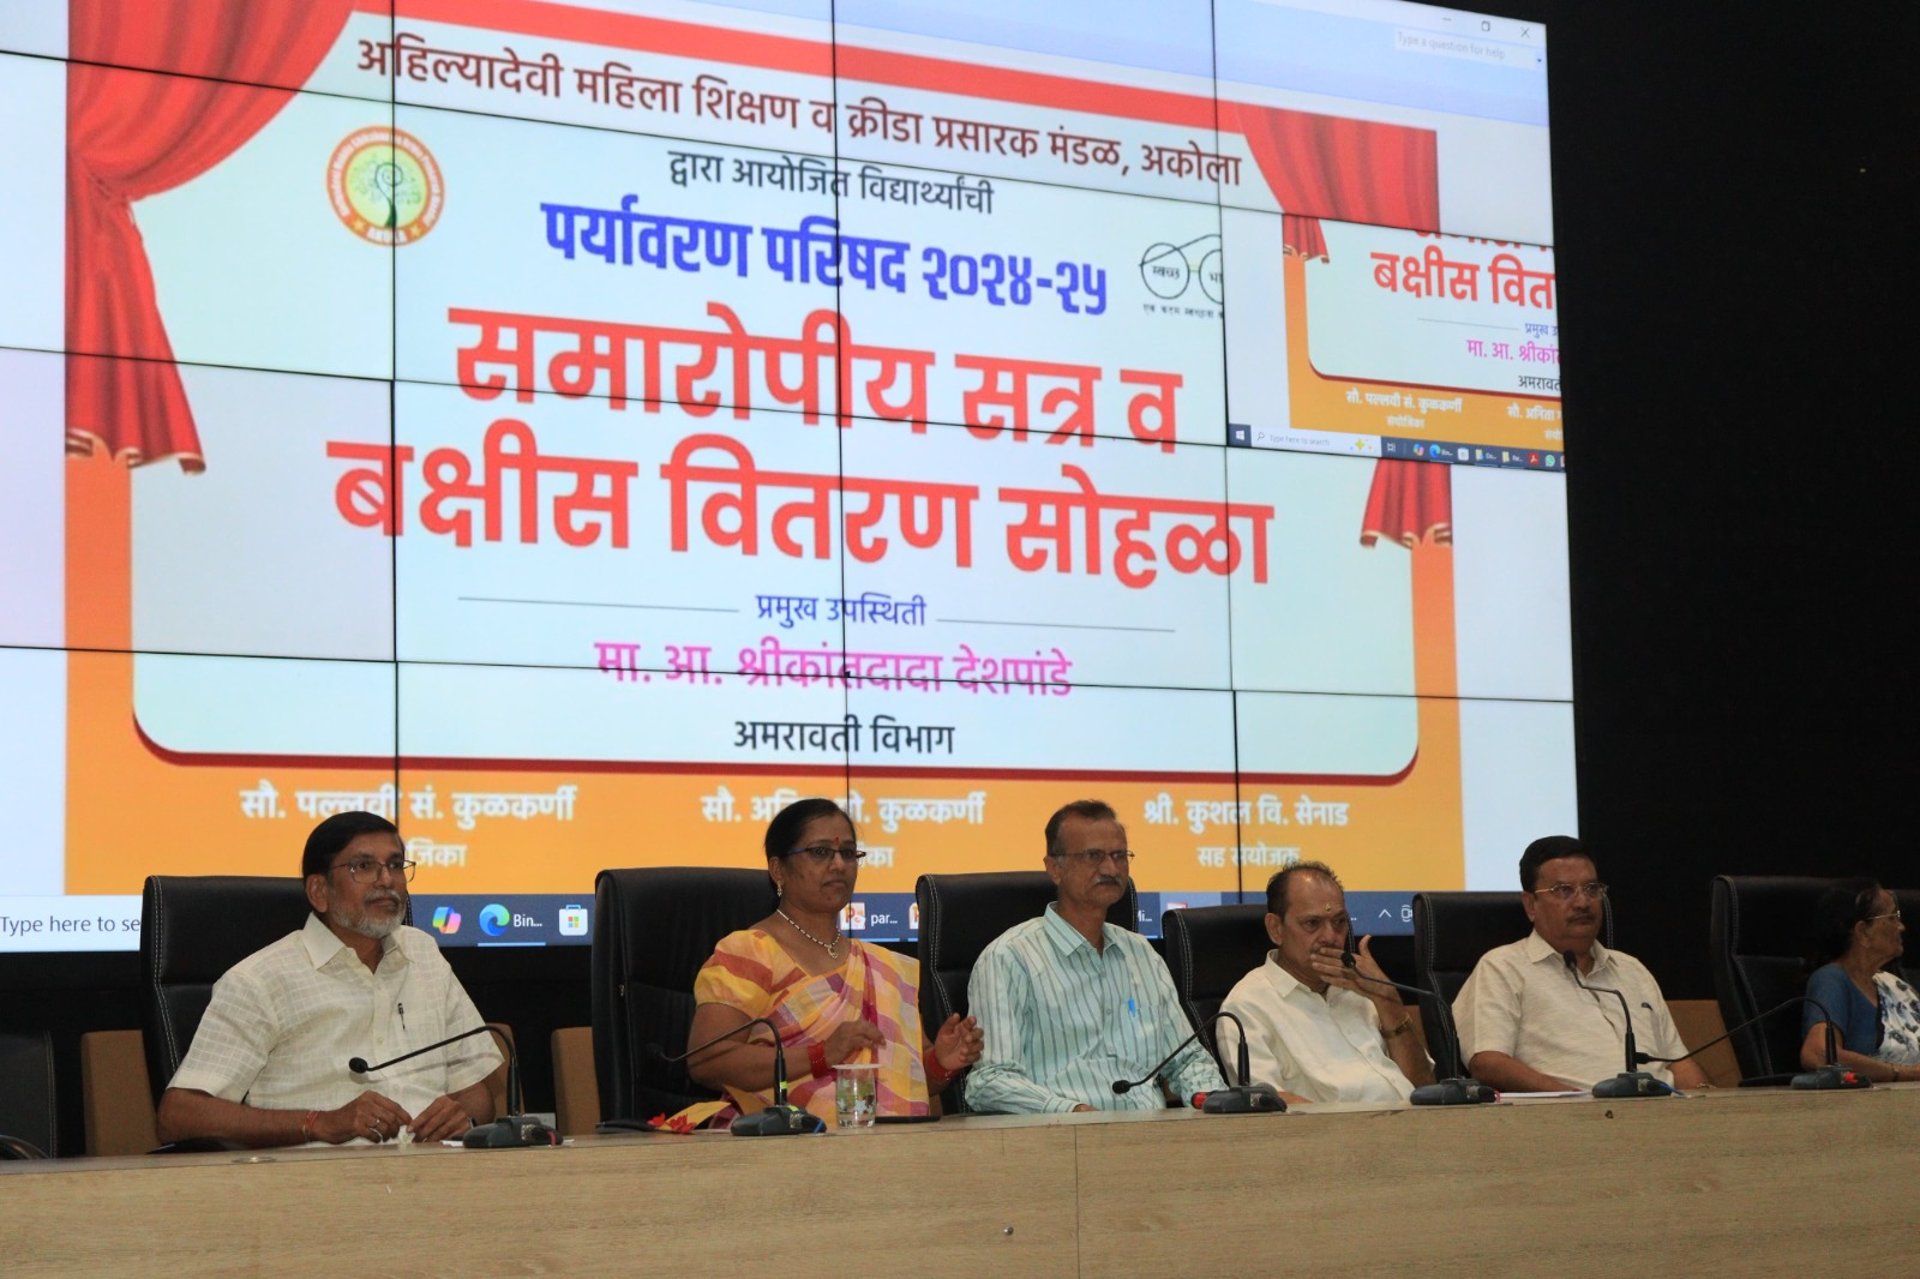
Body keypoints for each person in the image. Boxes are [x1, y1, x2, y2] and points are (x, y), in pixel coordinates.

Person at [155, 811, 501, 1147]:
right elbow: (180, 1114)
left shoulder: (424, 954)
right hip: (316, 1188)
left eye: (395, 865)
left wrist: (464, 1118)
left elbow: (475, 1091)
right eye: (363, 866)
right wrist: (318, 1123)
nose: (386, 880)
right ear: (319, 891)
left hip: (433, 1178)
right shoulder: (260, 979)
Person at [673, 798, 983, 1129]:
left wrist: (942, 1063)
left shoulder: (885, 967)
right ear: (778, 869)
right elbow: (707, 1061)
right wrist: (821, 1054)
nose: (839, 864)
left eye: (848, 853)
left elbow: (909, 1086)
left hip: (888, 1153)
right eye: (821, 852)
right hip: (781, 1150)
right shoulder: (751, 952)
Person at [964, 799, 1225, 1113]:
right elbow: (990, 1081)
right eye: (1094, 856)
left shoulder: (1141, 953)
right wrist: (1070, 1111)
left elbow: (1187, 1061)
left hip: (1150, 1140)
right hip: (1059, 1143)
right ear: (1054, 868)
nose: (1111, 869)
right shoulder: (1008, 958)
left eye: (1119, 856)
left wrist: (1212, 1100)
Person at [1452, 835, 1708, 1093]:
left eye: (1592, 889)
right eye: (1564, 891)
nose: (1583, 902)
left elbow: (1679, 1064)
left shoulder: (1632, 969)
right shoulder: (1502, 968)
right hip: (1571, 1123)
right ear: (1531, 905)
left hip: (1665, 1116)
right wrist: (1576, 1103)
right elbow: (1489, 1063)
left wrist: (1713, 1108)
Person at [1217, 863, 1433, 1104]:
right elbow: (1266, 1104)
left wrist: (1387, 999)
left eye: (1339, 922)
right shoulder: (1247, 1006)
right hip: (1332, 1137)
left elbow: (1424, 1086)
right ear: (1276, 929)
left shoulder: (1364, 986)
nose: (1330, 937)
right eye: (1312, 923)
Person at [1798, 882, 1920, 1082]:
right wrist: (1904, 1073)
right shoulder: (1831, 979)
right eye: (1892, 917)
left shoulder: (1893, 985)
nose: (1901, 926)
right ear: (1863, 932)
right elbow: (1818, 1054)